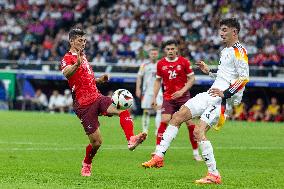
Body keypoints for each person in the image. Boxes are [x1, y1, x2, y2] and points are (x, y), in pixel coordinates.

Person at [142, 18, 249, 184]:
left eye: (225, 29)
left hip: (222, 100)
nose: (221, 32)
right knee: (178, 116)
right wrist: (209, 72)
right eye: (220, 29)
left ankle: (214, 174)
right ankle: (158, 156)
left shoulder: (240, 51)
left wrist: (226, 94)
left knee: (198, 132)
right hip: (212, 93)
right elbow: (226, 77)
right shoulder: (225, 50)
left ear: (234, 32)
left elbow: (243, 78)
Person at [60, 28, 147, 177]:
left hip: (97, 97)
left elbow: (86, 79)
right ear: (71, 41)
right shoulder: (67, 58)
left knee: (122, 108)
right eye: (80, 40)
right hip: (83, 105)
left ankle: (131, 139)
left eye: (84, 40)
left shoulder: (83, 57)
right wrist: (76, 64)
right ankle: (87, 162)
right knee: (97, 142)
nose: (83, 43)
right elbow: (66, 73)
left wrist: (99, 80)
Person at [149, 40, 201, 161]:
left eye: (172, 49)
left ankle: (195, 152)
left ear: (177, 49)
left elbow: (192, 79)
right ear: (165, 51)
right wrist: (154, 97)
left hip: (184, 98)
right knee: (164, 120)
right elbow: (157, 81)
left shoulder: (184, 62)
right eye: (168, 49)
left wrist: (182, 91)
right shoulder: (160, 64)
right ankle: (158, 150)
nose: (170, 51)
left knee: (189, 123)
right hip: (168, 98)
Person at [136, 48, 163, 135]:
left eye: (155, 54)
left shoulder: (161, 64)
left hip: (158, 91)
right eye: (152, 54)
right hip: (147, 91)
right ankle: (145, 130)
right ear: (149, 55)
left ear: (158, 54)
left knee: (159, 110)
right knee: (146, 110)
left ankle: (158, 130)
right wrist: (138, 88)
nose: (154, 55)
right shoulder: (144, 65)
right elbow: (139, 77)